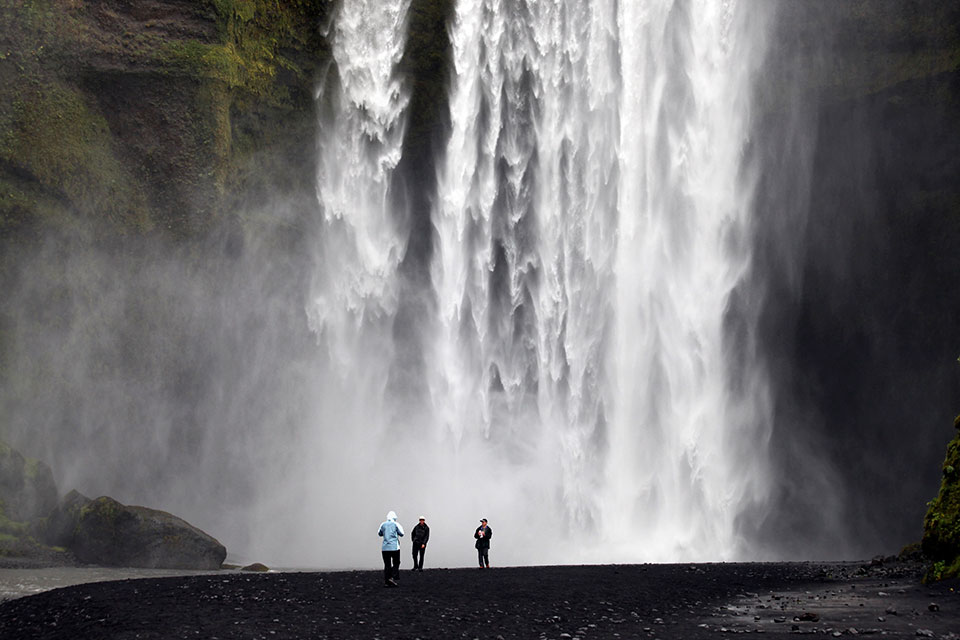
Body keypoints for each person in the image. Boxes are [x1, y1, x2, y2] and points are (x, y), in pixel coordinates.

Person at [378, 510, 404, 586]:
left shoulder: (383, 524)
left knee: (387, 564)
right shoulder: (396, 524)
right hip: (394, 547)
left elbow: (379, 533)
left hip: (385, 547)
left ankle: (387, 581)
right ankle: (392, 576)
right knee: (396, 562)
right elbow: (402, 533)